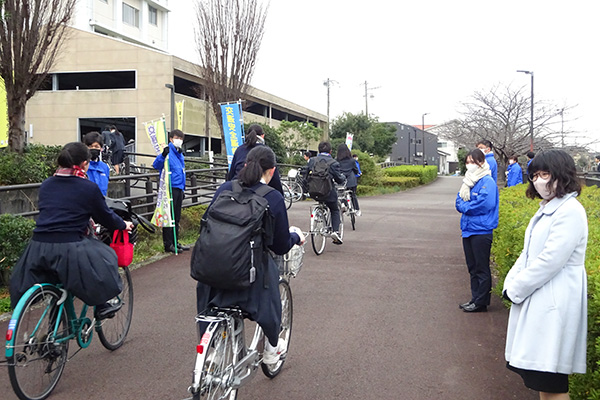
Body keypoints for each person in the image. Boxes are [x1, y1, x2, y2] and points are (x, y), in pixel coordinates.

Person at [196, 146, 305, 365]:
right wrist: (296, 236)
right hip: (249, 276)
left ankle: (214, 350)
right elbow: (281, 245)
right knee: (271, 282)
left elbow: (206, 223)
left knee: (209, 304)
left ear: (245, 164)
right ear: (272, 171)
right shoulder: (272, 197)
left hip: (211, 268)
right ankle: (272, 350)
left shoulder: (225, 188)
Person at [9, 142, 134, 319]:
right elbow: (105, 216)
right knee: (106, 257)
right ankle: (102, 306)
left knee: (55, 283)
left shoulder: (46, 184)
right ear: (84, 164)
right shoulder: (88, 188)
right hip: (70, 247)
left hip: (38, 247)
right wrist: (123, 224)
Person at [503, 149, 587, 399]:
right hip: (541, 300)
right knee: (543, 379)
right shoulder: (549, 208)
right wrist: (511, 283)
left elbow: (550, 260)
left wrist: (516, 289)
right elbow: (528, 254)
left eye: (546, 174)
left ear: (562, 175)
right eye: (535, 175)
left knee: (552, 383)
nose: (539, 180)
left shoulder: (570, 211)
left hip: (555, 303)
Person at [456, 149, 499, 313]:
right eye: (467, 162)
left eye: (473, 162)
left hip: (481, 230)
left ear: (481, 162)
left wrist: (466, 207)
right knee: (472, 267)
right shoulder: (468, 182)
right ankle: (475, 298)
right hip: (468, 229)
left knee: (481, 267)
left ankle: (481, 302)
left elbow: (485, 204)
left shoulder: (487, 181)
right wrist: (466, 206)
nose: (469, 165)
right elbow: (458, 200)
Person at [153, 129, 190, 254]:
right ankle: (168, 244)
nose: (179, 140)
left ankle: (175, 241)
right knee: (169, 216)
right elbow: (156, 165)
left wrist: (183, 188)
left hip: (179, 187)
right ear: (171, 139)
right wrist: (163, 155)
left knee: (177, 216)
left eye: (181, 138)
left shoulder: (180, 154)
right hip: (170, 188)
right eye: (177, 138)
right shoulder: (167, 152)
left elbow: (182, 171)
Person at [302, 141, 346, 244]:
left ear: (319, 150)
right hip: (328, 192)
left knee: (321, 201)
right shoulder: (334, 163)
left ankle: (318, 217)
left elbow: (305, 176)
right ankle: (335, 232)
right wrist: (343, 177)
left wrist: (306, 189)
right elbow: (339, 179)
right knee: (334, 209)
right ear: (330, 151)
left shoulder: (312, 161)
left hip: (313, 192)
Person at [227, 124, 284, 195]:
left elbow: (231, 173)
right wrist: (279, 196)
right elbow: (275, 180)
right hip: (260, 193)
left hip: (236, 189)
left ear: (246, 135)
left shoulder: (239, 149)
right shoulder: (266, 152)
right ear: (263, 136)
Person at [83, 131, 110, 196]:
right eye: (90, 146)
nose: (93, 149)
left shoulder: (104, 167)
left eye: (96, 146)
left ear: (101, 148)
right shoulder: (81, 166)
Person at [337, 144, 361, 216]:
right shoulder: (352, 161)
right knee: (353, 195)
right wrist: (358, 173)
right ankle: (356, 209)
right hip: (351, 181)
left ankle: (343, 204)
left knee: (341, 194)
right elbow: (356, 170)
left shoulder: (337, 161)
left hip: (341, 181)